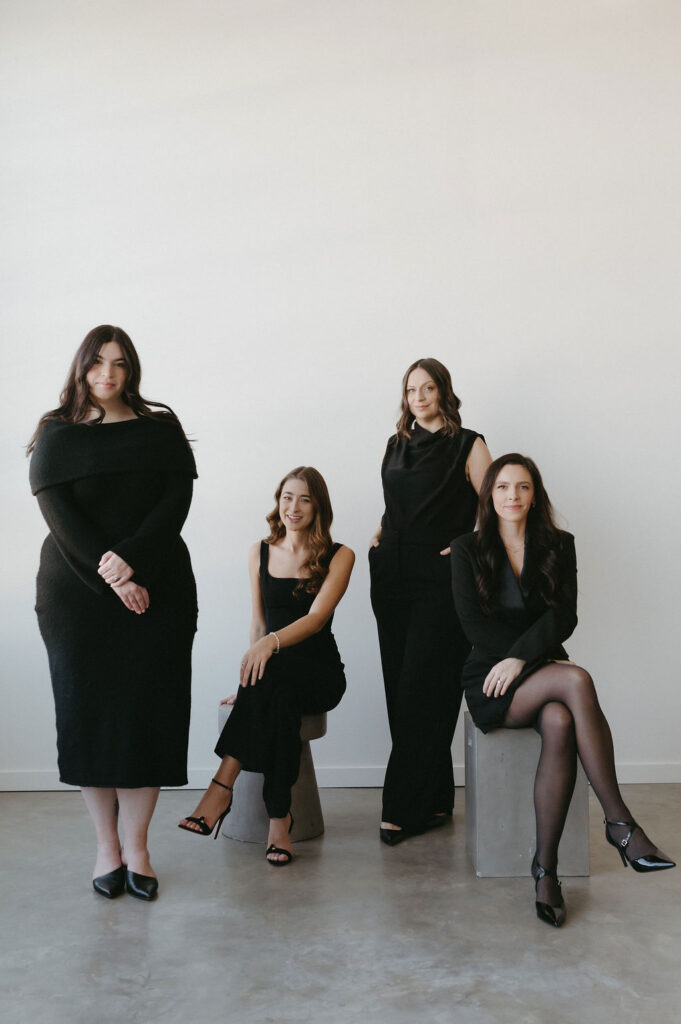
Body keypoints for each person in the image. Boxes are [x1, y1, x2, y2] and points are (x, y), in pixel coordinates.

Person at [451, 453, 675, 927]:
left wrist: (523, 657)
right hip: (491, 679)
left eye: (523, 487)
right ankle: (621, 824)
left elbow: (563, 615)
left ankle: (546, 871)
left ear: (535, 495)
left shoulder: (559, 544)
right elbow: (473, 626)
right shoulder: (467, 549)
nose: (513, 496)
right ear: (489, 496)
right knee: (576, 678)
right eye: (503, 487)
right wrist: (512, 660)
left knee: (560, 719)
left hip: (535, 667)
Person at [29, 325, 197, 901]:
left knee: (149, 716)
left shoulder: (160, 428)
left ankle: (140, 848)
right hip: (78, 598)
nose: (108, 374)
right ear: (81, 368)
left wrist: (133, 565)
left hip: (160, 589)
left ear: (133, 370)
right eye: (97, 363)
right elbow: (61, 519)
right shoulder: (56, 434)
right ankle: (107, 848)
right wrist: (115, 578)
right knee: (89, 718)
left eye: (119, 364)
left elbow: (174, 504)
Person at [179, 467, 354, 865]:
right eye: (287, 497)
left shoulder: (340, 555)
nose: (293, 507)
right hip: (277, 678)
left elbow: (316, 620)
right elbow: (258, 624)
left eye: (305, 499)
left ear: (318, 506)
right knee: (276, 695)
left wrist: (268, 647)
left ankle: (221, 787)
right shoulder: (258, 552)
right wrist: (246, 684)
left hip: (320, 672)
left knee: (276, 678)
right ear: (278, 501)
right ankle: (279, 819)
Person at [369, 357, 492, 844]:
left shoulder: (468, 442)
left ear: (444, 392)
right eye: (411, 390)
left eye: (427, 388)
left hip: (441, 578)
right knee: (401, 693)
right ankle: (437, 797)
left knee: (426, 687)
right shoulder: (395, 444)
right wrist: (380, 534)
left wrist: (467, 547)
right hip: (392, 575)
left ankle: (403, 806)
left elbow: (495, 507)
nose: (418, 397)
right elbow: (394, 502)